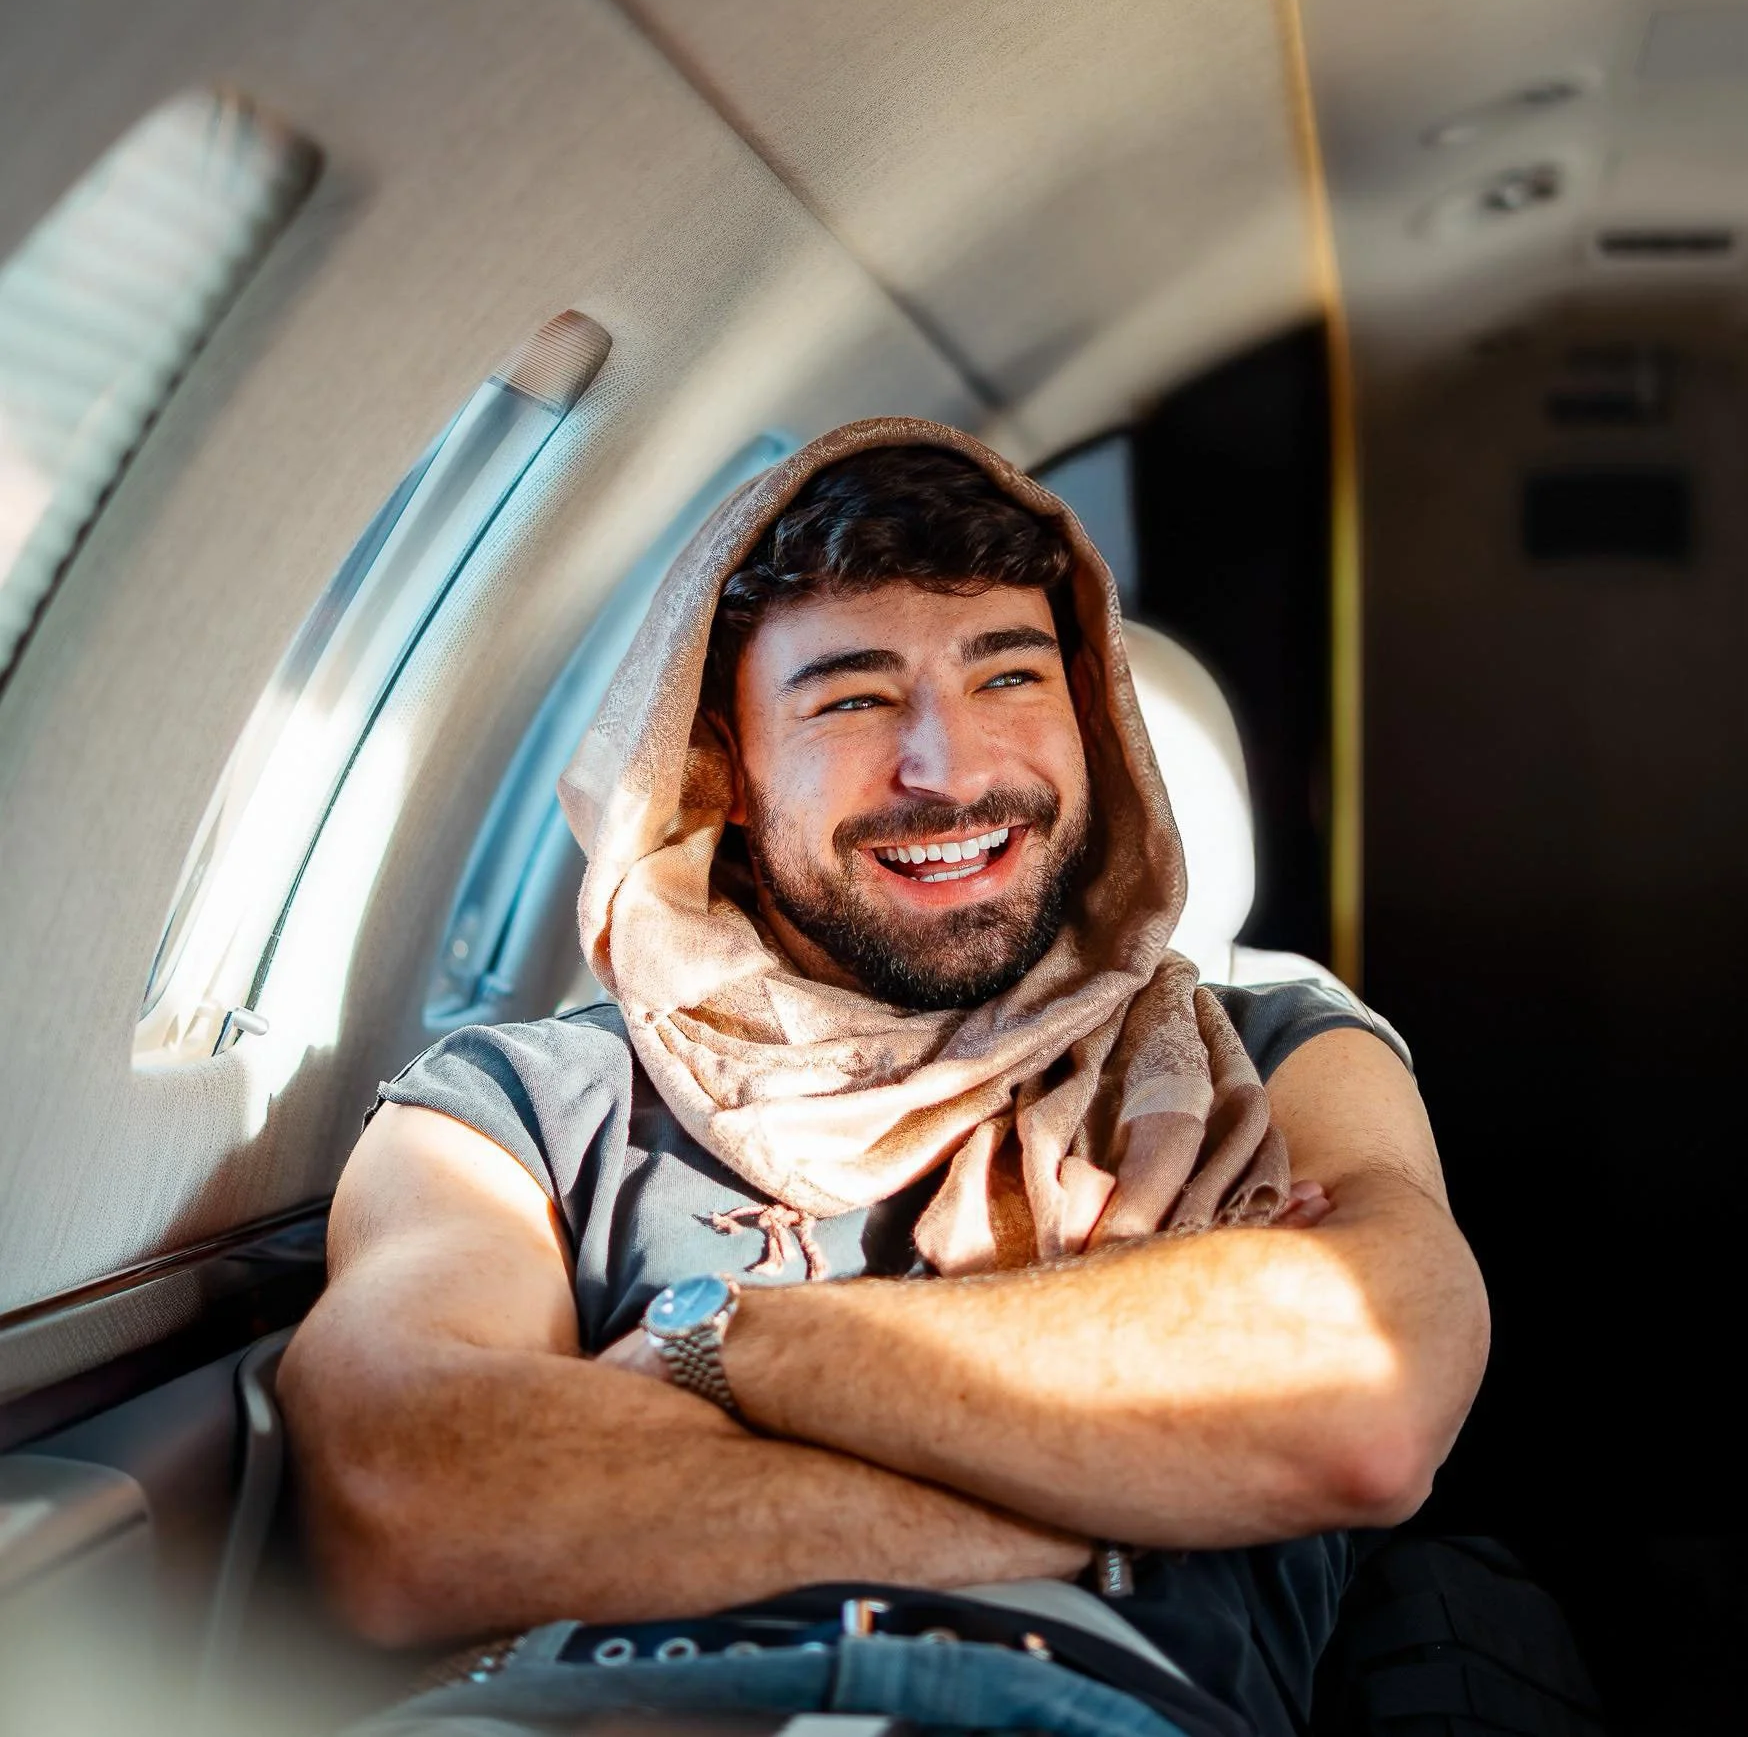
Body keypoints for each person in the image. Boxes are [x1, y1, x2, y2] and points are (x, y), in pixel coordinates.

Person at [280, 419, 1489, 1737]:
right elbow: (403, 1504)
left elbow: (1364, 1396)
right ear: (723, 769)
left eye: (1010, 677)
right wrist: (1106, 1489)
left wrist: (723, 1344)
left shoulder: (1269, 1050)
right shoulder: (518, 1106)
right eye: (853, 698)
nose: (951, 770)